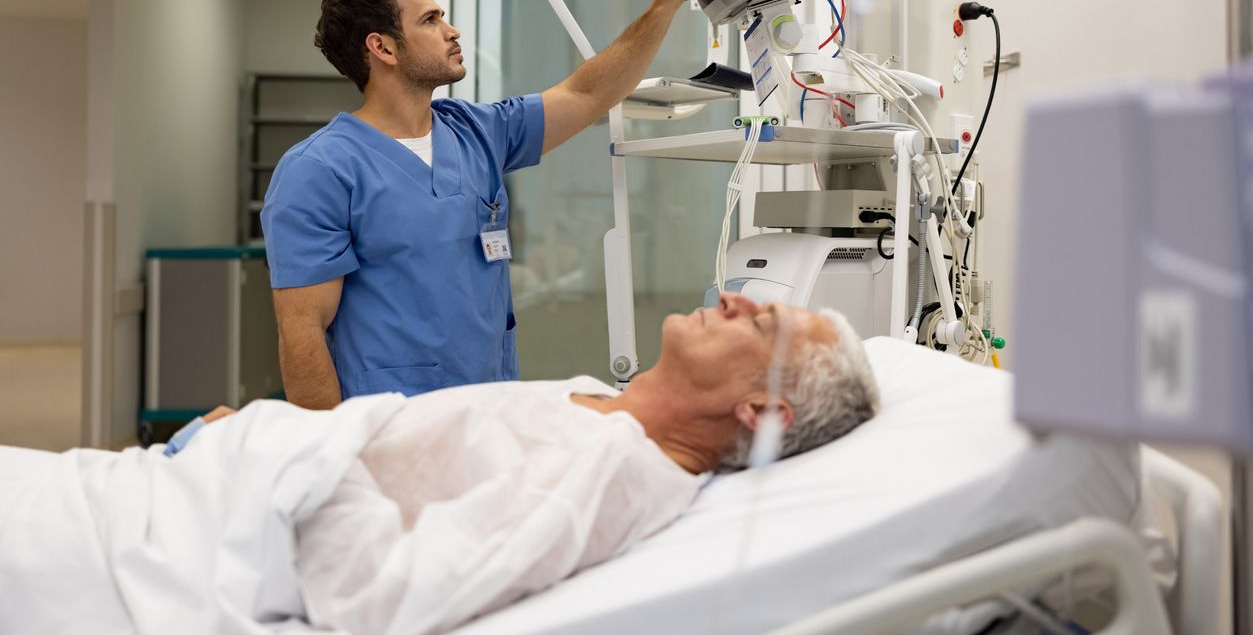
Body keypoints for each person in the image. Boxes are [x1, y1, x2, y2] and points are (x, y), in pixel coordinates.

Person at [0, 296, 879, 634]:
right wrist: (256, 438)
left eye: (758, 323)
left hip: (133, 555)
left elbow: (384, 593)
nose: (733, 297)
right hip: (153, 492)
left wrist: (287, 448)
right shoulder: (589, 402)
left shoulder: (614, 471)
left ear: (760, 412)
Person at [261, 0, 705, 409]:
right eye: (431, 21)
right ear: (383, 48)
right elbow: (302, 336)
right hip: (391, 424)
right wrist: (333, 456)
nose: (451, 31)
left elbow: (588, 94)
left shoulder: (477, 132)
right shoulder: (318, 171)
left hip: (492, 408)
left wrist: (664, 5)